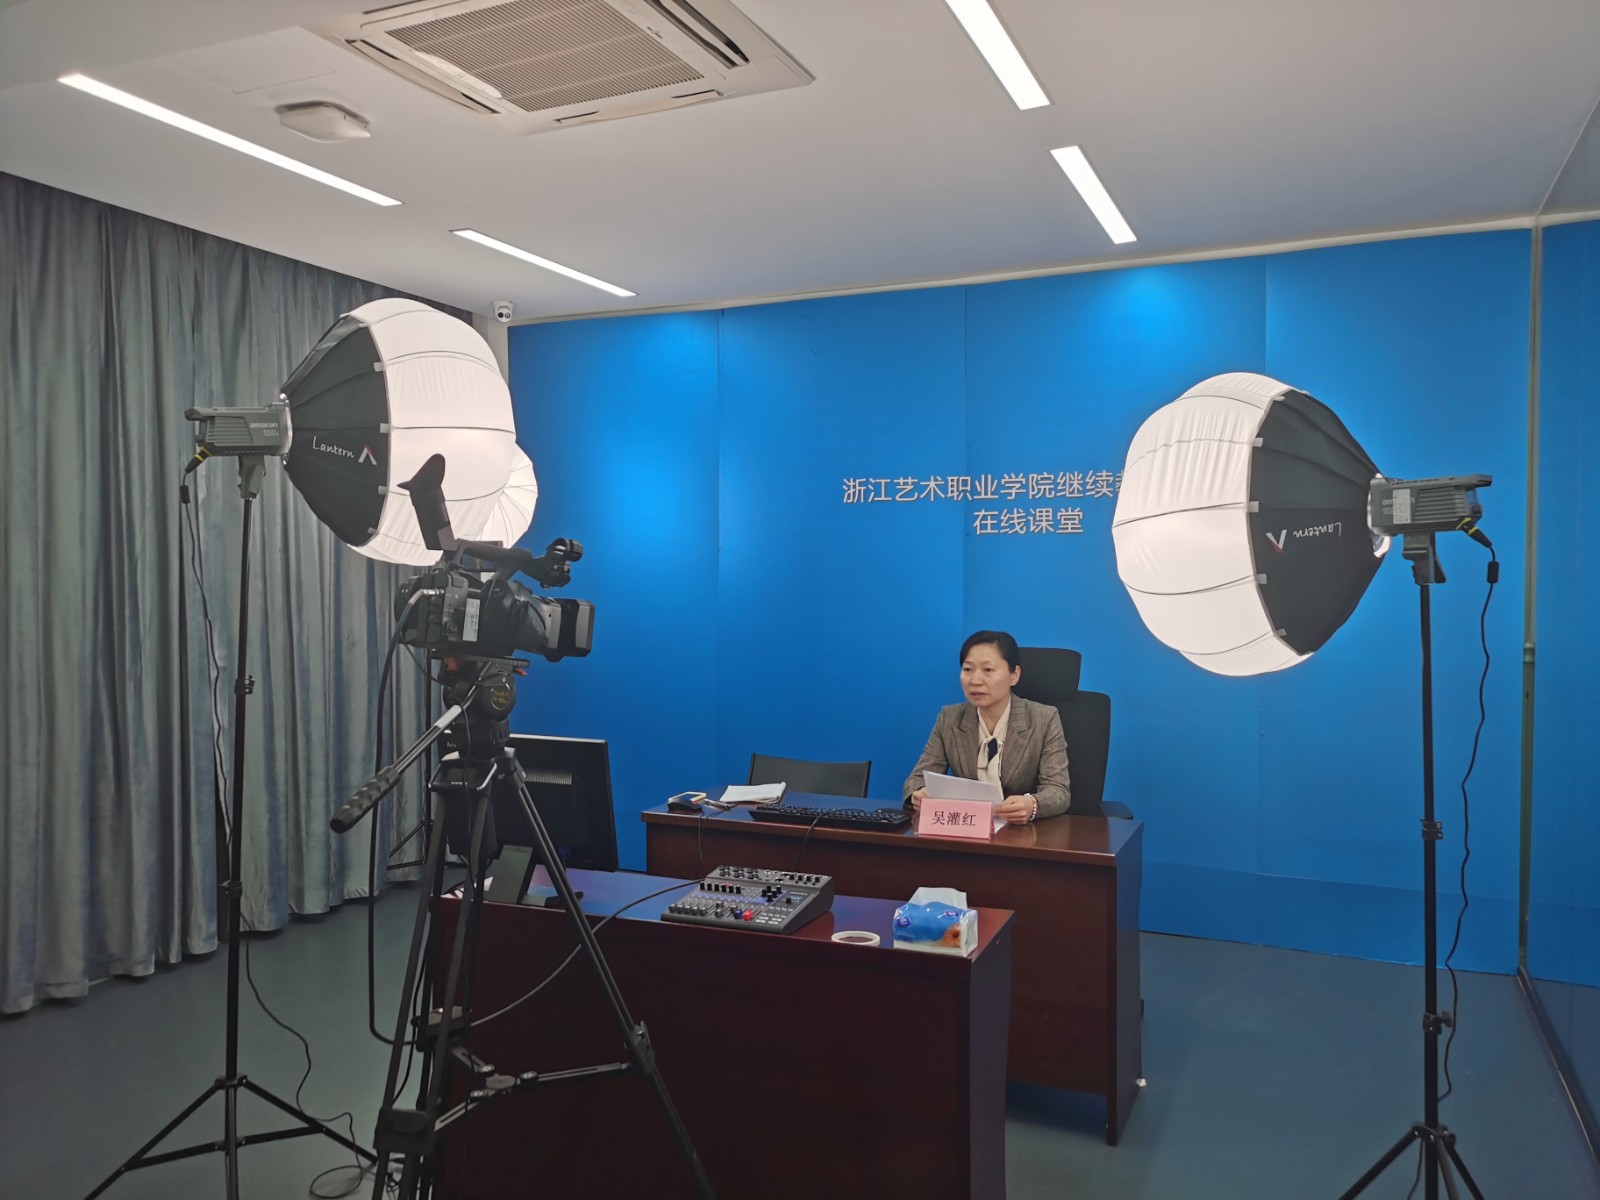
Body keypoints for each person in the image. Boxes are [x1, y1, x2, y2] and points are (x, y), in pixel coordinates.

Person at [903, 631, 1071, 824]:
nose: (975, 680)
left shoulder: (1044, 719)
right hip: (967, 826)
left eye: (988, 670)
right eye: (968, 669)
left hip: (1022, 831)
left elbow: (1058, 790)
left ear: (1014, 675)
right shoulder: (949, 718)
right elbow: (916, 780)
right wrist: (919, 794)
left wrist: (1032, 804)